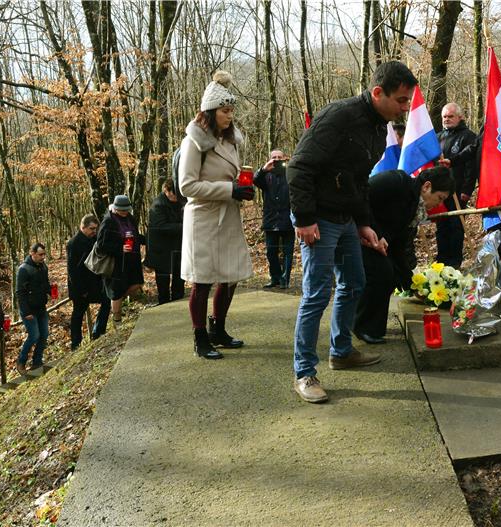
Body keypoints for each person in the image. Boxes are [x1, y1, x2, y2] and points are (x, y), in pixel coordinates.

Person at [287, 61, 418, 403]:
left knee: (355, 282)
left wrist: (365, 225)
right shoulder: (339, 116)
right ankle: (304, 372)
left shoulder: (379, 127)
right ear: (378, 93)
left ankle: (341, 351)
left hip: (346, 218)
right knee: (317, 294)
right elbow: (298, 166)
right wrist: (304, 219)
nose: (406, 108)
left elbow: (359, 182)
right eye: (401, 100)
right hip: (318, 218)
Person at [177, 70, 253, 360]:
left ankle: (217, 329)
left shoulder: (230, 141)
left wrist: (251, 181)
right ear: (210, 111)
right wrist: (228, 189)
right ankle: (200, 338)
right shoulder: (194, 142)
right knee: (203, 280)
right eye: (224, 110)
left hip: (228, 215)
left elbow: (232, 176)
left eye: (232, 110)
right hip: (204, 218)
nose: (229, 115)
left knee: (230, 276)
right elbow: (187, 186)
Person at [354, 167, 455, 343]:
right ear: (427, 186)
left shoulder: (414, 208)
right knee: (380, 272)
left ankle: (374, 329)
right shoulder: (396, 182)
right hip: (356, 231)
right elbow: (362, 196)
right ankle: (362, 326)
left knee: (390, 273)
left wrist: (412, 283)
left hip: (376, 242)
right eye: (440, 198)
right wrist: (372, 230)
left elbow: (400, 246)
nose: (439, 204)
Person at [437, 103, 477, 269]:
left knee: (455, 226)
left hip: (458, 190)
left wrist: (467, 189)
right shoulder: (438, 137)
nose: (447, 119)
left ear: (460, 117)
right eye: (444, 116)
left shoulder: (468, 136)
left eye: (450, 116)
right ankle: (441, 260)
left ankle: (454, 262)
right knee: (441, 226)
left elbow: (471, 165)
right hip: (439, 192)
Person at [97, 195, 145, 325]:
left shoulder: (130, 218)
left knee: (138, 283)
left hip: (133, 259)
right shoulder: (108, 221)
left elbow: (134, 234)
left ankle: (121, 304)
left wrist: (145, 240)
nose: (124, 212)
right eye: (122, 210)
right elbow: (101, 245)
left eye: (126, 210)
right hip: (117, 264)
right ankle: (117, 321)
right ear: (115, 208)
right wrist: (120, 248)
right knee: (116, 292)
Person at [67, 215, 111, 350]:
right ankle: (76, 344)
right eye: (91, 228)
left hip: (93, 283)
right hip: (79, 286)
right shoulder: (74, 243)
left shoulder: (93, 239)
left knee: (107, 301)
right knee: (78, 315)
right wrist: (81, 290)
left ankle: (97, 332)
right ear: (83, 227)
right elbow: (72, 271)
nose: (94, 231)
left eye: (95, 229)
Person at [254, 149, 295, 289]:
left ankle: (285, 279)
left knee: (287, 252)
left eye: (279, 157)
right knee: (271, 252)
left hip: (287, 219)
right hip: (270, 220)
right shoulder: (266, 176)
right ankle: (275, 277)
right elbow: (255, 180)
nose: (277, 160)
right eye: (274, 157)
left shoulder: (290, 174)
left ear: (285, 158)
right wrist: (263, 169)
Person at [146, 180, 185, 304]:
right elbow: (160, 226)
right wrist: (183, 226)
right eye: (174, 194)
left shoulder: (179, 202)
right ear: (166, 191)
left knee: (179, 274)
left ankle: (178, 297)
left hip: (176, 245)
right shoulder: (158, 205)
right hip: (161, 249)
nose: (176, 197)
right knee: (163, 278)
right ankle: (164, 301)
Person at [16, 243, 50, 375]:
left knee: (44, 334)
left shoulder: (43, 267)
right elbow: (20, 292)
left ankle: (37, 362)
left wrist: (50, 290)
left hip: (41, 306)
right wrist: (26, 312)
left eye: (44, 254)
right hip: (29, 309)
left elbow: (44, 283)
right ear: (33, 254)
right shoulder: (24, 269)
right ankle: (21, 361)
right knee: (34, 335)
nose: (43, 257)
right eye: (40, 254)